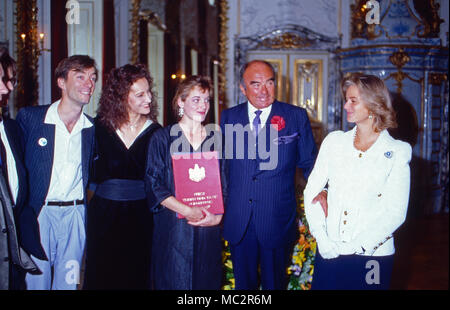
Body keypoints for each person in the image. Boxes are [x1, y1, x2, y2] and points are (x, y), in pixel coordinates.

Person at [304, 73, 412, 290]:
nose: (346, 106)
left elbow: (396, 212)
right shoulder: (334, 142)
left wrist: (355, 247)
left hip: (373, 257)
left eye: (353, 100)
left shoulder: (397, 151)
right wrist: (322, 239)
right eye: (347, 99)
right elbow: (311, 192)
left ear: (374, 104)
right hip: (330, 250)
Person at [220, 60, 318, 289]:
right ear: (243, 89)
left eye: (269, 83)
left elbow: (310, 164)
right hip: (239, 219)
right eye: (255, 84)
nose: (264, 91)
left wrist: (323, 192)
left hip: (276, 216)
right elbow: (221, 167)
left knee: (275, 284)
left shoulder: (295, 116)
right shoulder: (228, 117)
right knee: (244, 287)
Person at [16, 55, 98, 290]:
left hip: (75, 216)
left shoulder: (92, 129)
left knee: (69, 283)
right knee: (35, 282)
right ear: (61, 82)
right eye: (80, 76)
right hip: (39, 215)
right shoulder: (31, 119)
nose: (89, 84)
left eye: (92, 78)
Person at [83, 64, 161, 289]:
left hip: (143, 214)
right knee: (103, 276)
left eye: (149, 92)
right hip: (104, 214)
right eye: (140, 94)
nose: (148, 98)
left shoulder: (156, 132)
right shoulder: (97, 128)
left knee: (138, 275)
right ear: (121, 97)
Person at [147, 75, 223, 290]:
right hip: (174, 227)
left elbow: (226, 182)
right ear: (180, 101)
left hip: (208, 225)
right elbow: (154, 184)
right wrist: (186, 210)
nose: (203, 105)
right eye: (196, 99)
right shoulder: (162, 138)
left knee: (205, 283)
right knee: (173, 280)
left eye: (207, 100)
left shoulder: (216, 139)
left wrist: (217, 217)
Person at [0, 48, 39, 290]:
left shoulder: (12, 129)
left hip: (13, 244)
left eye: (8, 80)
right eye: (1, 80)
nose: (7, 88)